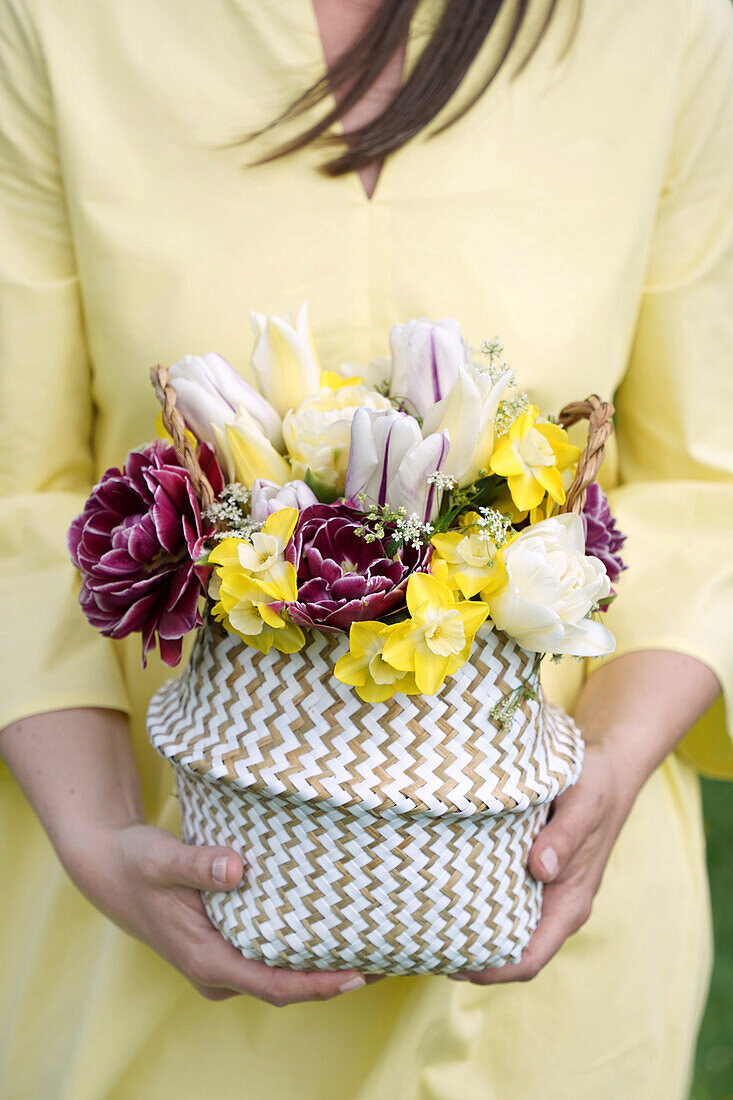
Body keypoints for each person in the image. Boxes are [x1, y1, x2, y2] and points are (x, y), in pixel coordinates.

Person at [0, 0, 731, 1095]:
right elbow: (19, 486)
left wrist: (605, 780)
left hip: (548, 967)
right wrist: (100, 832)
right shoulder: (53, 22)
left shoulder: (668, 26)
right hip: (149, 905)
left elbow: (702, 482)